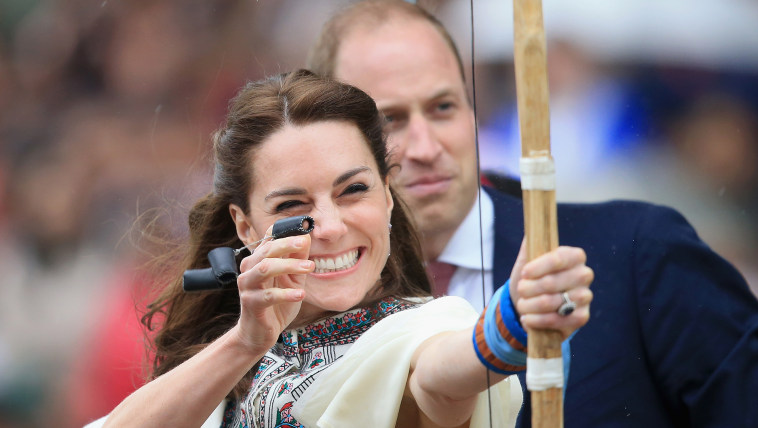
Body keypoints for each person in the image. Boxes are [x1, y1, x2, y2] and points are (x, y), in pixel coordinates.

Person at [306, 1, 758, 427]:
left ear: (471, 109)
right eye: (390, 120)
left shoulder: (639, 251)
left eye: (443, 107)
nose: (427, 148)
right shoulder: (303, 312)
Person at [86, 69, 592, 427]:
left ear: (389, 197)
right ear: (243, 226)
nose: (329, 227)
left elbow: (442, 375)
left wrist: (508, 324)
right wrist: (245, 342)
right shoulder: (234, 352)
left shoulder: (421, 331)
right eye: (292, 205)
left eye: (354, 191)